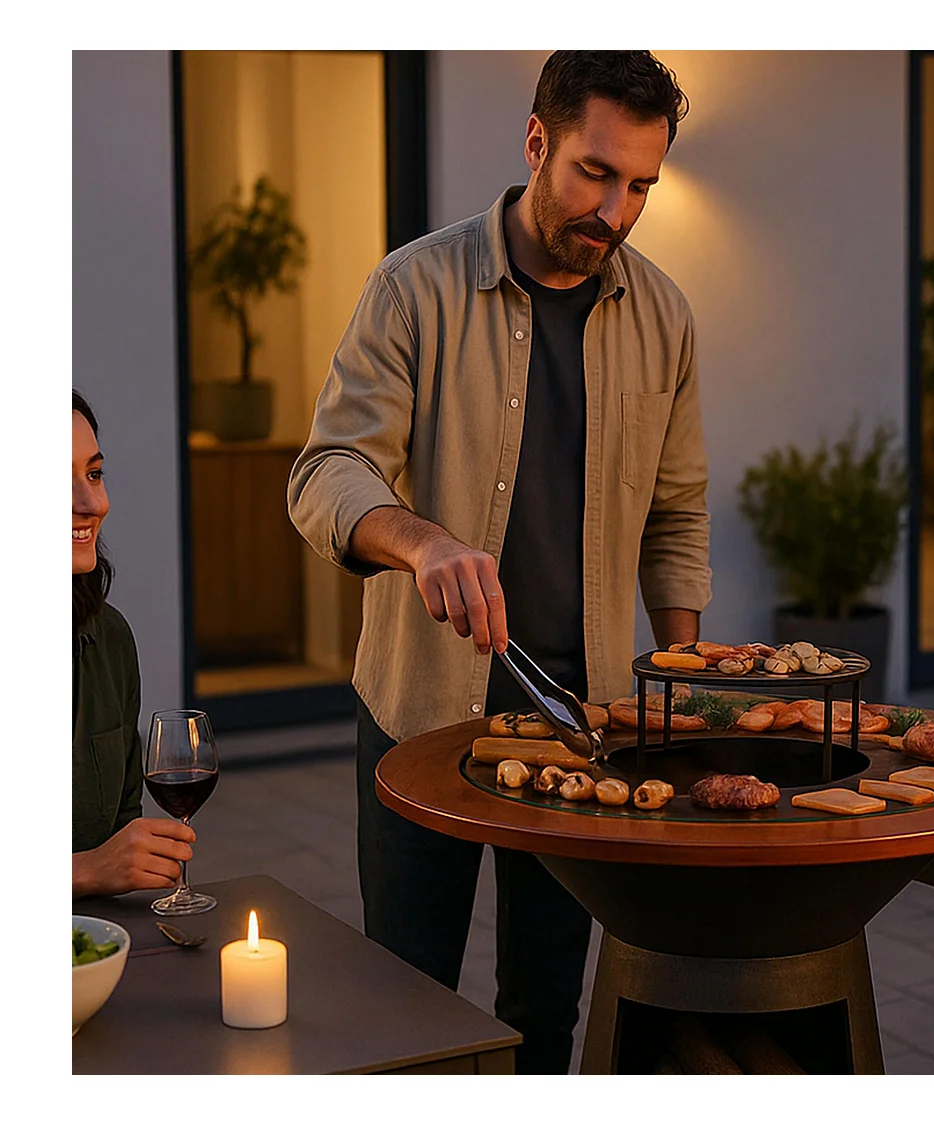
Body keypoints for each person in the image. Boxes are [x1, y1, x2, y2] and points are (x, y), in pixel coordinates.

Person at [288, 51, 711, 1074]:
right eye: (595, 173)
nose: (617, 210)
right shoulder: (412, 289)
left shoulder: (665, 316)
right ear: (536, 143)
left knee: (546, 1008)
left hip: (586, 725)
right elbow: (327, 473)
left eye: (641, 186)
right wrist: (420, 538)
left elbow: (679, 512)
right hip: (420, 709)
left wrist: (684, 676)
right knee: (408, 1000)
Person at [72, 390, 197, 897]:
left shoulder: (110, 641)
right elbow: (100, 865)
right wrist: (83, 871)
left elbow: (122, 826)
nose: (92, 504)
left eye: (94, 474)